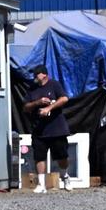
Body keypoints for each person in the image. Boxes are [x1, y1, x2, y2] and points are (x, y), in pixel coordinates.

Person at [23, 64, 71, 193]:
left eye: (37, 74)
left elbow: (64, 98)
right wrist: (38, 103)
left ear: (44, 74)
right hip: (39, 129)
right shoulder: (32, 89)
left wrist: (49, 108)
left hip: (56, 128)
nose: (34, 77)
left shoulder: (54, 85)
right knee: (39, 156)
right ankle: (42, 185)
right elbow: (26, 107)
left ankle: (65, 176)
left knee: (62, 156)